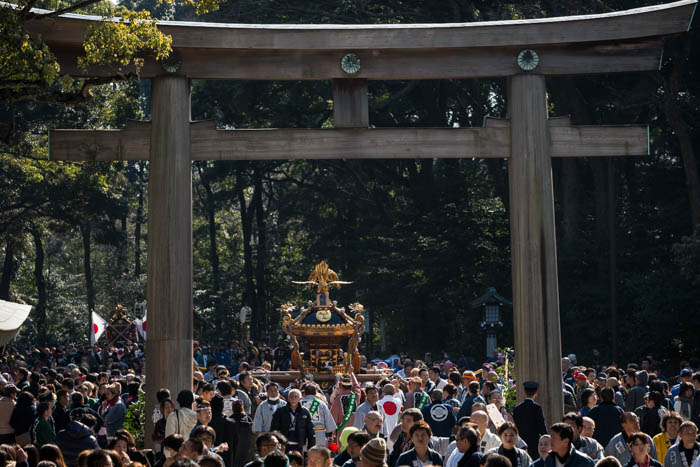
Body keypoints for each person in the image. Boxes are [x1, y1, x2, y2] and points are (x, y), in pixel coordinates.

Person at [270, 388, 315, 453]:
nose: (293, 399)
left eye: (296, 397)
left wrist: (311, 447)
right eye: (291, 397)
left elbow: (311, 431)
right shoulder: (281, 411)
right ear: (288, 398)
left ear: (300, 398)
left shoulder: (305, 412)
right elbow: (274, 429)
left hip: (299, 443)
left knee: (298, 461)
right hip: (284, 444)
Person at [513, 381, 547, 461]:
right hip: (534, 441)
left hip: (521, 441)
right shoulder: (537, 407)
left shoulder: (517, 408)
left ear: (524, 392)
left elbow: (515, 424)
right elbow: (541, 425)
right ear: (536, 393)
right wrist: (546, 438)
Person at [208, 395, 237, 467]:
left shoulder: (208, 423)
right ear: (222, 407)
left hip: (210, 459)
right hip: (227, 459)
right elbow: (235, 444)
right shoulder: (231, 423)